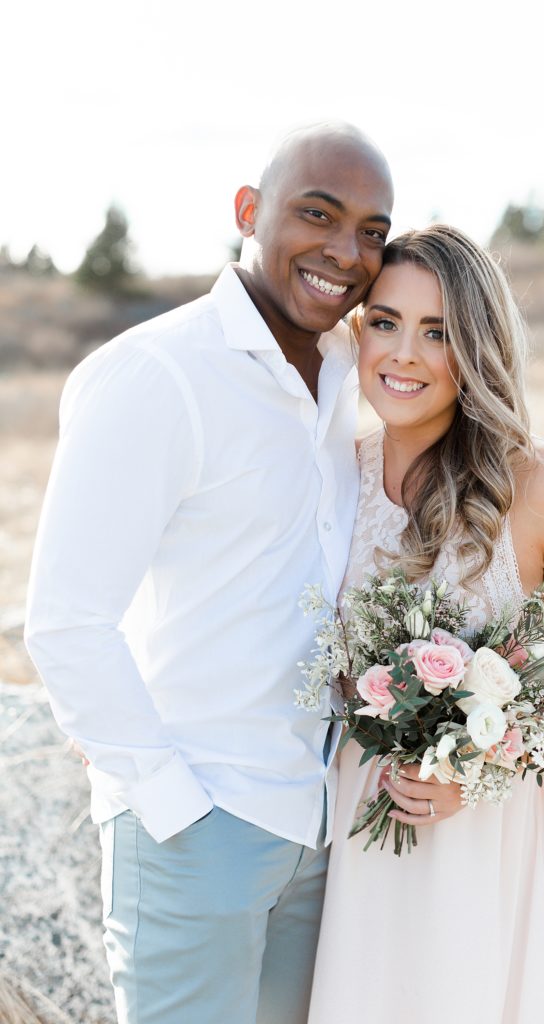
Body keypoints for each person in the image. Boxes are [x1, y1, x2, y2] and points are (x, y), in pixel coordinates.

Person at [23, 123, 457, 1024]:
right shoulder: (155, 375)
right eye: (317, 214)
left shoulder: (352, 372)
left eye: (371, 230)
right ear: (248, 214)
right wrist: (172, 807)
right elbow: (66, 624)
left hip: (321, 824)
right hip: (199, 824)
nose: (345, 252)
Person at [307, 224, 544, 1024]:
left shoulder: (541, 483)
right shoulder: (326, 475)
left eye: (439, 332)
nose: (404, 354)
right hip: (356, 824)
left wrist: (487, 758)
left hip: (495, 832)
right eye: (384, 322)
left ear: (479, 347)